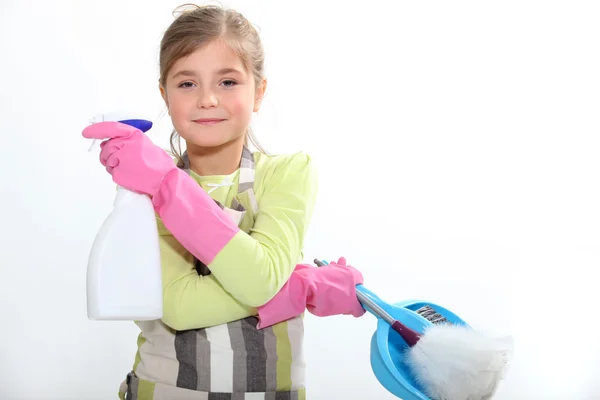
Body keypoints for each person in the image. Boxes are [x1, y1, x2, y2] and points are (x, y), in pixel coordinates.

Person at [82, 4, 364, 399]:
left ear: (259, 91)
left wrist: (169, 188)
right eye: (187, 84)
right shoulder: (145, 188)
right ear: (164, 95)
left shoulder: (287, 174)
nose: (208, 99)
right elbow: (180, 307)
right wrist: (301, 286)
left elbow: (260, 277)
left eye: (228, 82)